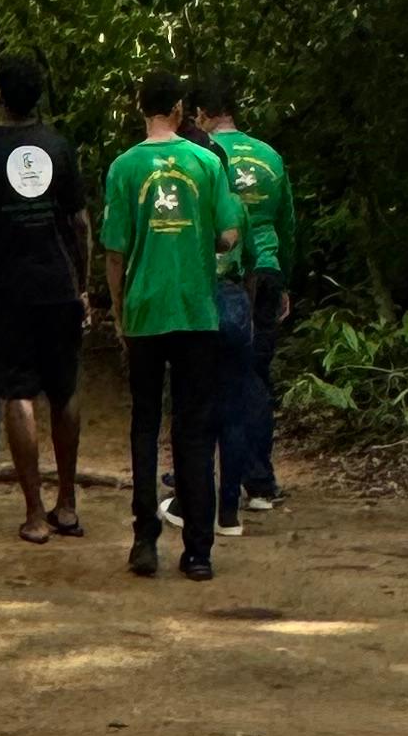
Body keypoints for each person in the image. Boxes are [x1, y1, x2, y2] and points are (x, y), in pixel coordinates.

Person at [101, 70, 238, 580]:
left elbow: (115, 252)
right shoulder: (205, 162)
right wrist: (203, 244)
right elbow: (228, 232)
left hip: (145, 310)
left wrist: (118, 311)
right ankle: (199, 551)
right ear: (179, 108)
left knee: (144, 424)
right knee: (194, 429)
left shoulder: (125, 167)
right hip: (195, 309)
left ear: (142, 108)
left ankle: (144, 539)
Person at [0, 46, 89, 540]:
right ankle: (69, 504)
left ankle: (35, 513)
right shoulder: (58, 145)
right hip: (57, 284)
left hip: (11, 289)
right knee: (64, 389)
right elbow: (79, 222)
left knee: (17, 392)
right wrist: (80, 284)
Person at [195, 70, 297, 520]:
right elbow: (287, 224)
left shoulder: (199, 156)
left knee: (208, 378)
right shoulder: (270, 157)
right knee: (255, 377)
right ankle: (259, 482)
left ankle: (204, 478)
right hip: (267, 270)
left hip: (219, 275)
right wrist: (284, 277)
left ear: (201, 113)